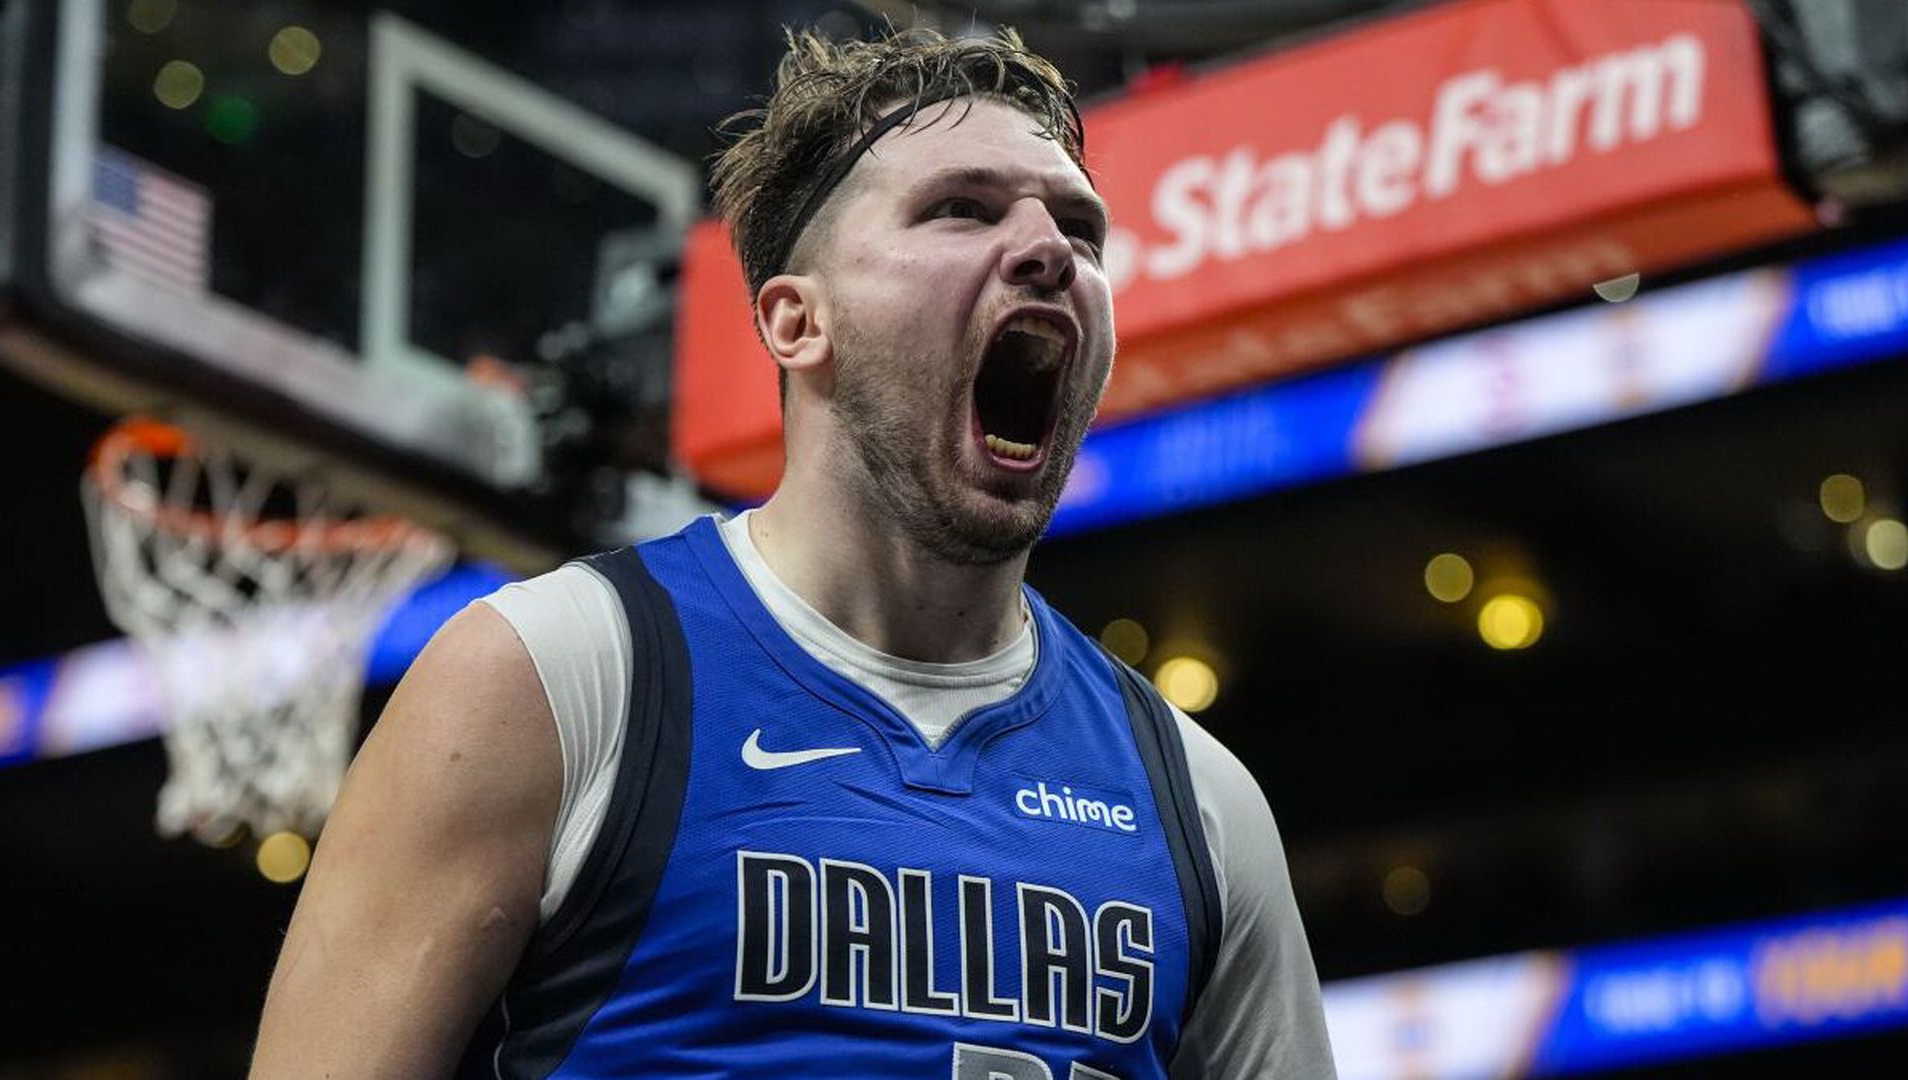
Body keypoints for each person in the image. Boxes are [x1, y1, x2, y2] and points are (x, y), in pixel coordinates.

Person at [250, 26, 1336, 1080]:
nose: (1051, 249)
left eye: (1081, 229)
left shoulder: (1199, 801)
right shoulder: (547, 678)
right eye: (960, 209)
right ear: (795, 322)